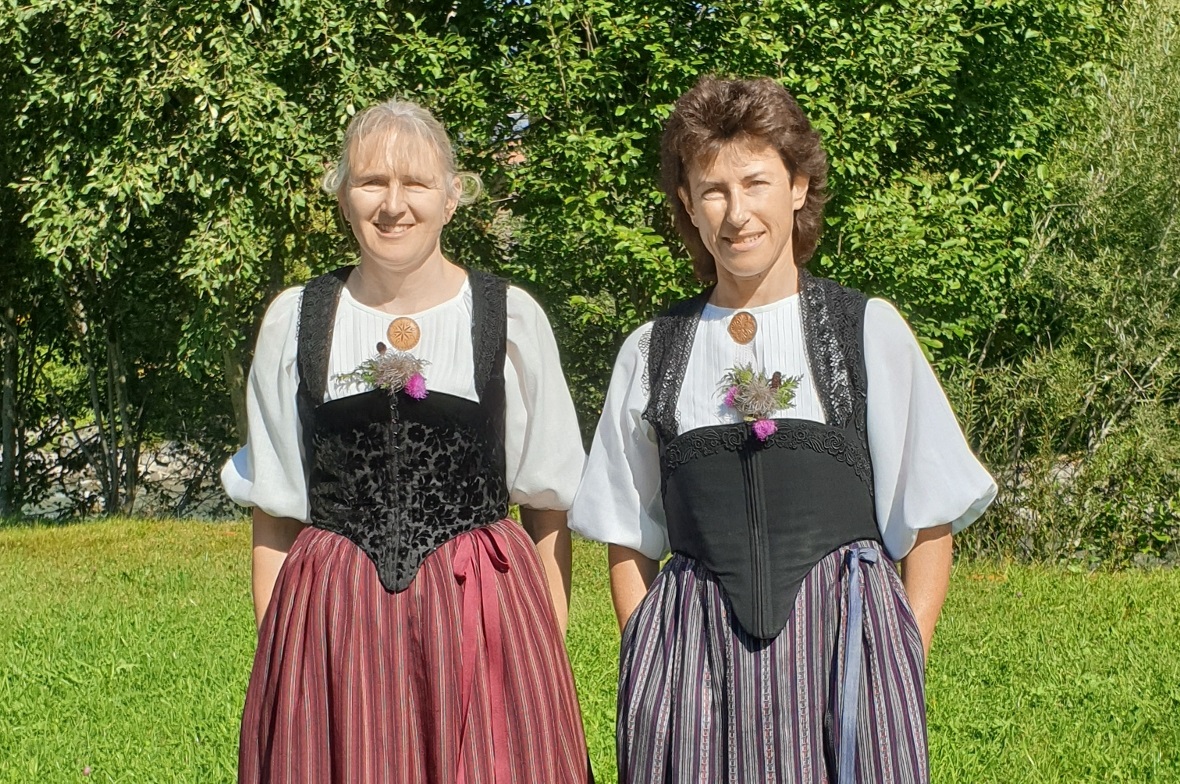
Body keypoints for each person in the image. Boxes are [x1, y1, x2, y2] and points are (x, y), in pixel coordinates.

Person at [569, 77, 997, 782]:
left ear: (797, 187)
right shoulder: (653, 350)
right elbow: (627, 530)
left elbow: (929, 517)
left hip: (844, 655)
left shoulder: (866, 331)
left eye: (756, 182)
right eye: (712, 190)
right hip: (693, 666)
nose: (737, 213)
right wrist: (648, 649)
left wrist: (896, 654)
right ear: (687, 206)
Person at [221, 99, 591, 782]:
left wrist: (538, 646)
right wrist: (287, 661)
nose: (393, 205)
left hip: (481, 618)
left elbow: (547, 505)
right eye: (371, 182)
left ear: (453, 197)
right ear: (342, 195)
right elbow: (273, 511)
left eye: (415, 183)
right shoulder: (296, 321)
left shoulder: (507, 319)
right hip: (334, 624)